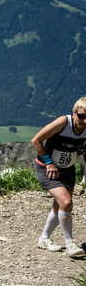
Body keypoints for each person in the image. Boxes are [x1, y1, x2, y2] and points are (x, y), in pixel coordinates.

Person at [32, 98, 86, 258]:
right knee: (66, 202)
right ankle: (70, 243)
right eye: (82, 116)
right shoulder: (63, 122)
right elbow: (36, 140)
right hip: (47, 168)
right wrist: (49, 163)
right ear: (74, 113)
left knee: (60, 206)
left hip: (67, 169)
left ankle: (44, 239)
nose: (85, 120)